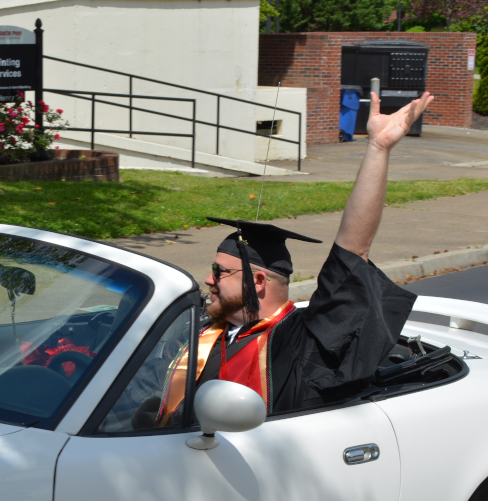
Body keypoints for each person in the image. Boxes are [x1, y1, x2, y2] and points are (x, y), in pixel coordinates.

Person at [155, 90, 433, 419]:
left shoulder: (300, 345)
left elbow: (352, 252)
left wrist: (378, 149)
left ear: (258, 281)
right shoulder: (202, 332)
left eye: (220, 271)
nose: (207, 279)